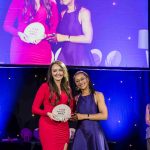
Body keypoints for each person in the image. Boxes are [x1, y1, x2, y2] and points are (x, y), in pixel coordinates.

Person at [32, 61, 74, 150]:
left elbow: (70, 107)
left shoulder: (67, 88)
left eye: (60, 70)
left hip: (63, 126)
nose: (57, 73)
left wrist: (68, 115)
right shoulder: (45, 87)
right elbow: (34, 109)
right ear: (51, 73)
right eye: (54, 71)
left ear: (64, 72)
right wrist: (48, 113)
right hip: (48, 126)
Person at [3, 0, 58, 65]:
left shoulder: (50, 2)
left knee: (42, 74)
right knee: (21, 74)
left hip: (41, 47)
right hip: (21, 47)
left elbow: (54, 28)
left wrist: (45, 36)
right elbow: (7, 25)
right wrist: (19, 34)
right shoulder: (18, 1)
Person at [48, 0, 94, 66]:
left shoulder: (84, 12)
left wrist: (64, 37)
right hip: (64, 55)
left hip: (79, 56)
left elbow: (88, 39)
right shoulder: (63, 13)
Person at [71, 71, 109, 150]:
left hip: (94, 133)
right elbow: (74, 116)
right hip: (80, 133)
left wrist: (83, 116)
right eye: (77, 81)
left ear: (87, 79)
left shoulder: (98, 95)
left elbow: (104, 115)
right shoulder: (76, 98)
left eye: (82, 79)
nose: (80, 82)